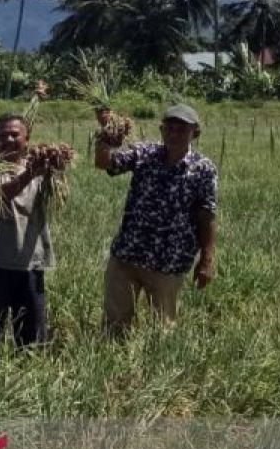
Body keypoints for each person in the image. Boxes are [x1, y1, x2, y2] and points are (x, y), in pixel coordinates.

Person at [93, 103, 217, 334]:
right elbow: (104, 163)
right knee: (114, 325)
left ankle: (155, 369)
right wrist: (106, 135)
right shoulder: (144, 153)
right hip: (127, 255)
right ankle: (116, 366)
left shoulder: (203, 169)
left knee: (162, 329)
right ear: (161, 130)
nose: (174, 134)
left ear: (195, 133)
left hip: (168, 261)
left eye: (182, 129)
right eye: (169, 128)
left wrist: (207, 259)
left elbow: (206, 214)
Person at [0, 89, 55, 346]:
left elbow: (56, 189)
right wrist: (29, 174)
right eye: (2, 135)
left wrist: (53, 164)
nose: (8, 139)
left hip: (30, 262)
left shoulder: (42, 169)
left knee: (31, 336)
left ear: (27, 139)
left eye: (14, 134)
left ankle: (29, 375)